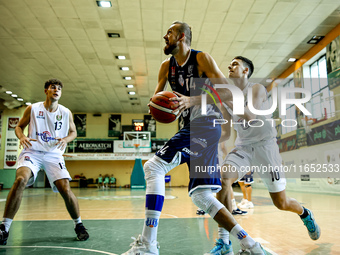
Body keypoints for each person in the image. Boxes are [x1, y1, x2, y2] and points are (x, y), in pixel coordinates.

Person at [122, 21, 266, 255]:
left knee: (153, 168)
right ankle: (250, 245)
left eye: (169, 32)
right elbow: (157, 98)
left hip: (207, 122)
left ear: (181, 37)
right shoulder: (165, 67)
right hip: (194, 126)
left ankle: (148, 245)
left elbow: (227, 92)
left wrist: (191, 101)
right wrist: (157, 105)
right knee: (201, 196)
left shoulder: (201, 59)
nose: (164, 36)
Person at [205, 56, 320, 254]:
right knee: (223, 179)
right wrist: (206, 138)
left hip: (266, 148)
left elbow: (250, 116)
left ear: (246, 71)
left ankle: (305, 213)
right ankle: (224, 242)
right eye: (230, 64)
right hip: (244, 148)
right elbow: (225, 132)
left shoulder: (256, 89)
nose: (230, 67)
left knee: (281, 203)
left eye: (235, 64)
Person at [0, 79, 89, 245]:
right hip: (32, 152)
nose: (56, 90)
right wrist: (23, 136)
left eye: (59, 88)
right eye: (53, 87)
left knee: (65, 188)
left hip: (54, 154)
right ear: (46, 91)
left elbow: (74, 131)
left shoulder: (65, 112)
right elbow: (19, 127)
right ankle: (4, 228)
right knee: (20, 180)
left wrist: (66, 139)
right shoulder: (33, 108)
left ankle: (79, 225)